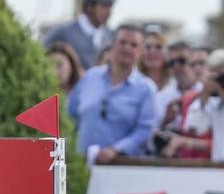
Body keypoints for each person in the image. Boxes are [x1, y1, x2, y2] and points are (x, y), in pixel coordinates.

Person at [65, 25, 157, 163]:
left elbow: (144, 130)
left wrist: (116, 149)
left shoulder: (146, 89)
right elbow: (69, 115)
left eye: (133, 45)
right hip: (80, 166)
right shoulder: (90, 77)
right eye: (122, 42)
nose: (127, 48)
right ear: (112, 45)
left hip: (120, 167)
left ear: (140, 52)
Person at [42, 0, 116, 70]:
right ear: (89, 7)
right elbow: (42, 57)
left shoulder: (112, 35)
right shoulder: (63, 32)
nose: (109, 12)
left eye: (110, 6)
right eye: (104, 6)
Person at [138, 25, 170, 91]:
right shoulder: (133, 83)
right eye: (148, 47)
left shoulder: (174, 84)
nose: (152, 51)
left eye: (158, 47)